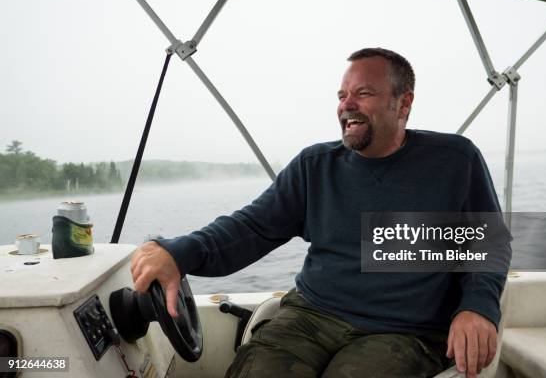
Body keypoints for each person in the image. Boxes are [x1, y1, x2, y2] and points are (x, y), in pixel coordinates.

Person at [131, 48, 511, 378]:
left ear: (403, 103)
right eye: (343, 95)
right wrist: (177, 251)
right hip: (311, 316)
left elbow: (489, 246)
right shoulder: (315, 166)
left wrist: (477, 307)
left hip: (405, 330)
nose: (347, 104)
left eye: (363, 93)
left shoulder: (455, 161)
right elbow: (249, 228)